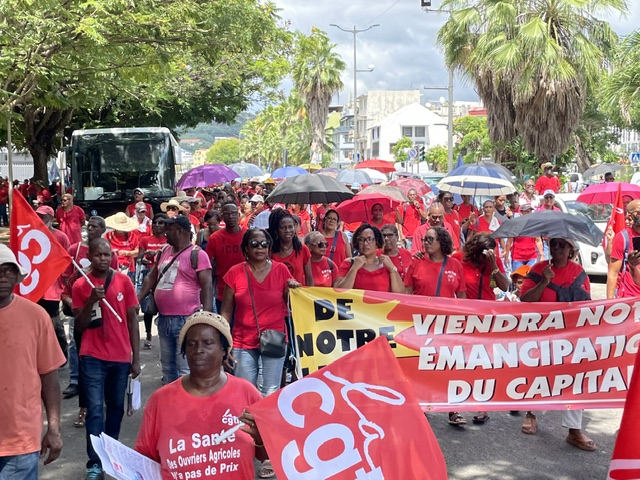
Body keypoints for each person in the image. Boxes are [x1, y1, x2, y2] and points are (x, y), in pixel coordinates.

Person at [134, 312, 267, 479]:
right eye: (191, 344)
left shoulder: (247, 393)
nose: (198, 350)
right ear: (184, 351)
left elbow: (266, 455)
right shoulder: (160, 400)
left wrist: (261, 440)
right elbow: (144, 459)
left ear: (224, 350)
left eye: (208, 343)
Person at [72, 238, 141, 480]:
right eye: (98, 255)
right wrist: (91, 299)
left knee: (115, 409)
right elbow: (79, 326)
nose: (103, 258)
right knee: (94, 411)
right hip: (92, 356)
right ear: (89, 256)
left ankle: (110, 453)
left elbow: (132, 320)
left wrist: (136, 357)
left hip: (120, 357)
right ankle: (95, 462)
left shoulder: (123, 281)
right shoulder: (81, 284)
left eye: (107, 254)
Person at [520, 238, 595, 450]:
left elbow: (588, 305)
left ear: (571, 249)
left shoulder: (579, 273)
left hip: (572, 336)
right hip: (542, 334)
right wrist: (543, 282)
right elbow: (524, 301)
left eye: (563, 245)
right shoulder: (538, 270)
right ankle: (531, 414)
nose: (557, 249)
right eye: (554, 244)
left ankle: (574, 430)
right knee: (539, 375)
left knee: (575, 379)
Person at [0, 245, 64, 478]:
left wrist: (54, 429)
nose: (3, 277)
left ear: (18, 276)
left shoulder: (36, 316)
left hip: (21, 441)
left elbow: (49, 375)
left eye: (8, 271)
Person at [138, 215, 213, 384]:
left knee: (184, 369)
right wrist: (138, 299)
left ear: (180, 231)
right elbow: (152, 277)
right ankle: (171, 404)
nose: (165, 233)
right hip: (164, 319)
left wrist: (206, 319)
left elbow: (207, 287)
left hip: (185, 320)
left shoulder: (198, 255)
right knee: (167, 368)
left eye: (169, 229)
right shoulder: (164, 251)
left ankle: (185, 407)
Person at [404, 226, 467, 426]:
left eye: (431, 239)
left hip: (447, 324)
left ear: (442, 243)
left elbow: (462, 297)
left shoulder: (455, 265)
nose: (426, 243)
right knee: (421, 364)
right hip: (421, 324)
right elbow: (406, 292)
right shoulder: (416, 262)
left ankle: (453, 410)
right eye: (425, 239)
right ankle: (421, 405)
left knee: (449, 366)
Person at [36, 205, 71, 360]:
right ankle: (42, 355)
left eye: (43, 216)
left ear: (50, 218)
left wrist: (64, 285)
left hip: (53, 288)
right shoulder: (33, 235)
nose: (40, 219)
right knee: (37, 323)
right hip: (36, 286)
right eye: (38, 215)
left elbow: (68, 260)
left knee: (54, 323)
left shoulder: (61, 237)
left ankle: (62, 355)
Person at [334, 224, 405, 293]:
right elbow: (339, 291)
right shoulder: (349, 263)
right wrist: (354, 268)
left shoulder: (386, 264)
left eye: (369, 239)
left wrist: (392, 268)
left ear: (377, 243)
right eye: (361, 240)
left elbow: (400, 293)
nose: (365, 243)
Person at [206, 202, 247, 313]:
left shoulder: (247, 235)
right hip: (223, 291)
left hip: (246, 290)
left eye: (233, 213)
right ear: (222, 217)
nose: (231, 216)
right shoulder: (215, 238)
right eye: (227, 214)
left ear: (238, 215)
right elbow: (208, 265)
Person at [137, 213, 168, 350]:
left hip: (164, 276)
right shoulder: (145, 239)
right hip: (148, 275)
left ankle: (164, 335)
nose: (157, 225)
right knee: (148, 309)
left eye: (161, 223)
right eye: (155, 222)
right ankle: (148, 334)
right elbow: (139, 258)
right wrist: (143, 258)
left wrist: (157, 255)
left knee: (165, 307)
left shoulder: (169, 241)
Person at [268, 208, 313, 286]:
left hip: (298, 296)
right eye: (283, 227)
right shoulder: (269, 251)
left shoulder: (303, 249)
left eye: (290, 227)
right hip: (277, 296)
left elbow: (309, 278)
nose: (287, 230)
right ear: (276, 230)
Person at [607, 199, 640, 299]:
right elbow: (613, 273)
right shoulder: (622, 238)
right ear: (629, 215)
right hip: (629, 299)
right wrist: (609, 303)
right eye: (639, 212)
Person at [504, 203, 544, 270]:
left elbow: (538, 241)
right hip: (517, 257)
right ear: (521, 213)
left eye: (530, 211)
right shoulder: (515, 225)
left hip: (532, 256)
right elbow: (509, 242)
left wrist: (542, 255)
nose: (528, 213)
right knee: (518, 278)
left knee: (531, 278)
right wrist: (506, 257)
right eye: (526, 211)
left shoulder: (534, 225)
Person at [104, 212, 140, 282]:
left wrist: (126, 253)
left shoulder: (132, 236)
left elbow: (138, 252)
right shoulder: (108, 236)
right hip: (112, 267)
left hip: (128, 268)